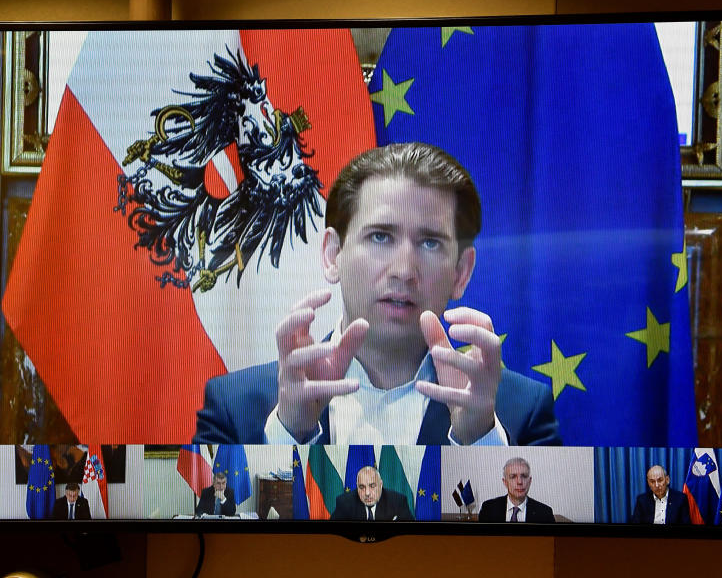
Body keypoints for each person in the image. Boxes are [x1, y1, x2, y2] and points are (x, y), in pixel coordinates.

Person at [194, 142, 560, 446]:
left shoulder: (520, 414)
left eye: (430, 243)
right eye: (380, 237)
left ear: (461, 272)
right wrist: (292, 434)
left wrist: (477, 443)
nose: (403, 270)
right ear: (332, 255)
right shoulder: (234, 408)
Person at [478, 457, 554, 523]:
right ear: (505, 482)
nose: (519, 482)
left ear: (530, 481)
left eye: (524, 476)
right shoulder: (488, 508)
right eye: (513, 476)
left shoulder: (545, 513)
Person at [331, 466, 413, 521]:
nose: (367, 493)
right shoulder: (344, 503)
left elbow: (410, 534)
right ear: (357, 487)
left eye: (372, 486)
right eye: (362, 487)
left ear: (380, 485)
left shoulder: (398, 501)